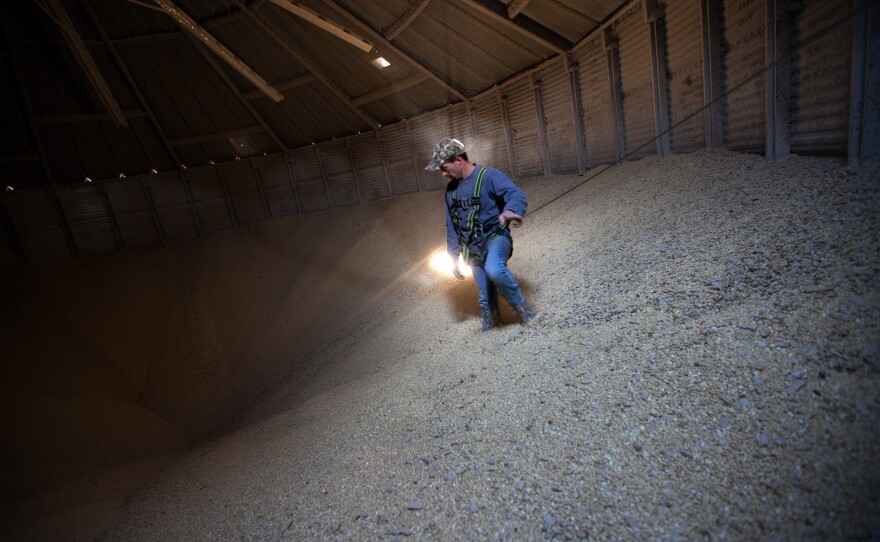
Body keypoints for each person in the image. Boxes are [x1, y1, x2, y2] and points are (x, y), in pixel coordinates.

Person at [426, 137, 536, 331]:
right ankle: (492, 325)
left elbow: (515, 194)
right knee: (485, 297)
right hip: (473, 249)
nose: (443, 174)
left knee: (495, 269)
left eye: (443, 167)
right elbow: (451, 225)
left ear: (458, 160)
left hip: (495, 238)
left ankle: (525, 309)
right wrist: (453, 257)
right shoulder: (451, 191)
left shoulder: (489, 176)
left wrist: (512, 209)